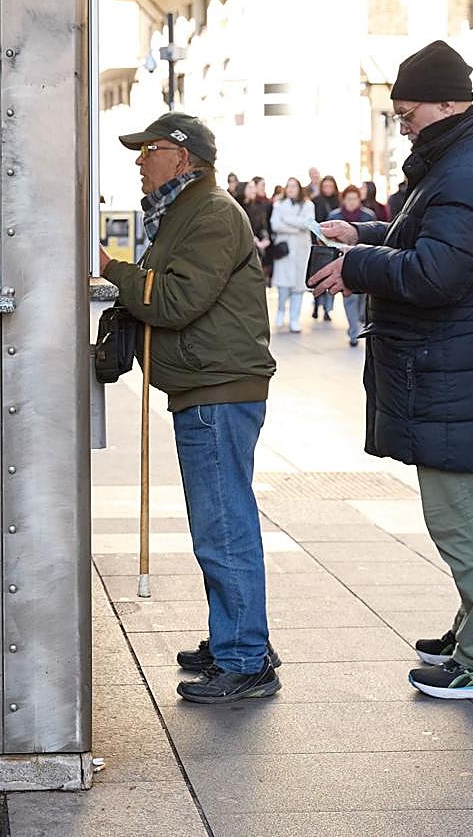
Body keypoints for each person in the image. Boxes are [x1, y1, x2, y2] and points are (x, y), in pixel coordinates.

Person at [309, 40, 473, 700]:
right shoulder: (462, 160)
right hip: (454, 369)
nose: (402, 125)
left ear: (447, 103)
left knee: (464, 521)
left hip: (456, 371)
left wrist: (356, 267)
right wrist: (365, 235)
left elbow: (439, 272)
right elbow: (429, 241)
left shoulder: (469, 168)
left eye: (408, 113)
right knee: (466, 516)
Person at [98, 112, 279, 704]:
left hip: (217, 389)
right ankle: (236, 636)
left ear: (182, 157)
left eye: (148, 149)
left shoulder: (210, 213)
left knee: (222, 526)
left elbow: (174, 299)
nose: (139, 160)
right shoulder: (185, 211)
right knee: (220, 522)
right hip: (207, 385)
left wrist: (111, 270)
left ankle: (244, 657)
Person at [328, 185, 376, 345]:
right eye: (348, 198)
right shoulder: (335, 216)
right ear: (343, 199)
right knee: (349, 299)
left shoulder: (368, 216)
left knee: (363, 298)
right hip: (343, 262)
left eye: (354, 198)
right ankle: (354, 331)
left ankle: (358, 322)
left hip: (365, 262)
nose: (351, 202)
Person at [270, 177, 315, 333]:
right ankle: (281, 312)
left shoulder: (308, 205)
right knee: (283, 285)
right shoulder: (278, 204)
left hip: (301, 250)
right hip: (285, 250)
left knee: (299, 286)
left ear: (299, 188)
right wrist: (297, 228)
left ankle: (295, 319)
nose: (290, 189)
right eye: (288, 186)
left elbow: (308, 223)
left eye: (294, 186)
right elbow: (275, 225)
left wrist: (287, 220)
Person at [311, 176, 340, 319]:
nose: (328, 189)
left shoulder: (338, 201)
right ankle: (316, 305)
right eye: (325, 186)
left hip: (333, 244)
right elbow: (312, 222)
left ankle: (328, 309)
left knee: (331, 277)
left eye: (330, 186)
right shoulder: (316, 201)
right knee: (318, 276)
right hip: (318, 243)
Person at [241, 180, 273, 279]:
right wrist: (254, 240)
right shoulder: (238, 207)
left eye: (254, 187)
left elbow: (262, 226)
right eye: (250, 187)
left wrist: (265, 238)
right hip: (243, 251)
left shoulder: (258, 206)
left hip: (257, 251)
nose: (253, 190)